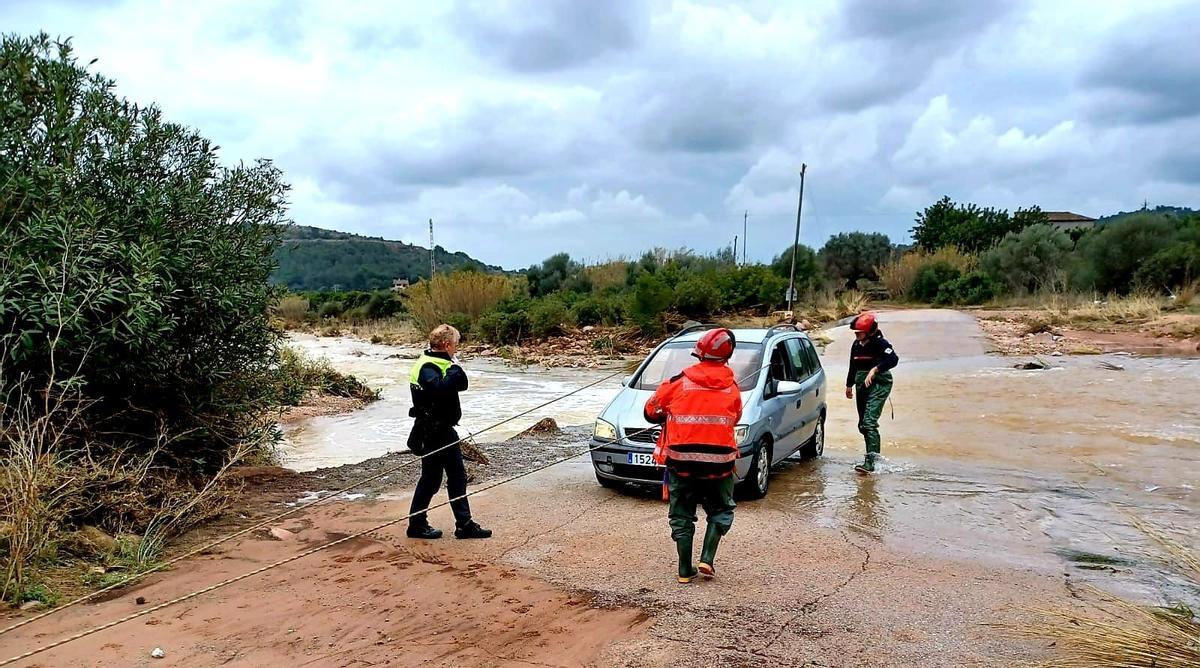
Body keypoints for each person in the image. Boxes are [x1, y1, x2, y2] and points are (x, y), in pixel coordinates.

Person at [644, 328, 743, 583]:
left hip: (681, 462)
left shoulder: (678, 381)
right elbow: (736, 418)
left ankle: (684, 570)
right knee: (721, 509)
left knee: (682, 514)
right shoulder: (732, 388)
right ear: (727, 356)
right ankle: (707, 559)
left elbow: (651, 410)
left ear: (699, 354)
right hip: (720, 464)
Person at [406, 324, 491, 540]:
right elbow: (441, 388)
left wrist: (453, 369)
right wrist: (454, 369)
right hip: (433, 431)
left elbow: (461, 384)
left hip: (441, 430)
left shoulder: (438, 363)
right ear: (446, 345)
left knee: (445, 478)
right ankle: (426, 524)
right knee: (440, 479)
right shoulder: (428, 367)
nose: (457, 349)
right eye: (456, 344)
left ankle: (459, 525)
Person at [845, 312, 898, 474]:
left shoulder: (880, 344)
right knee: (862, 425)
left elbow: (893, 359)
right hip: (861, 382)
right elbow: (852, 365)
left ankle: (872, 463)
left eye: (859, 332)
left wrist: (875, 369)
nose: (856, 335)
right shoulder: (856, 345)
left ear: (869, 331)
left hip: (879, 383)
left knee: (869, 422)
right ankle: (872, 457)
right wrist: (849, 385)